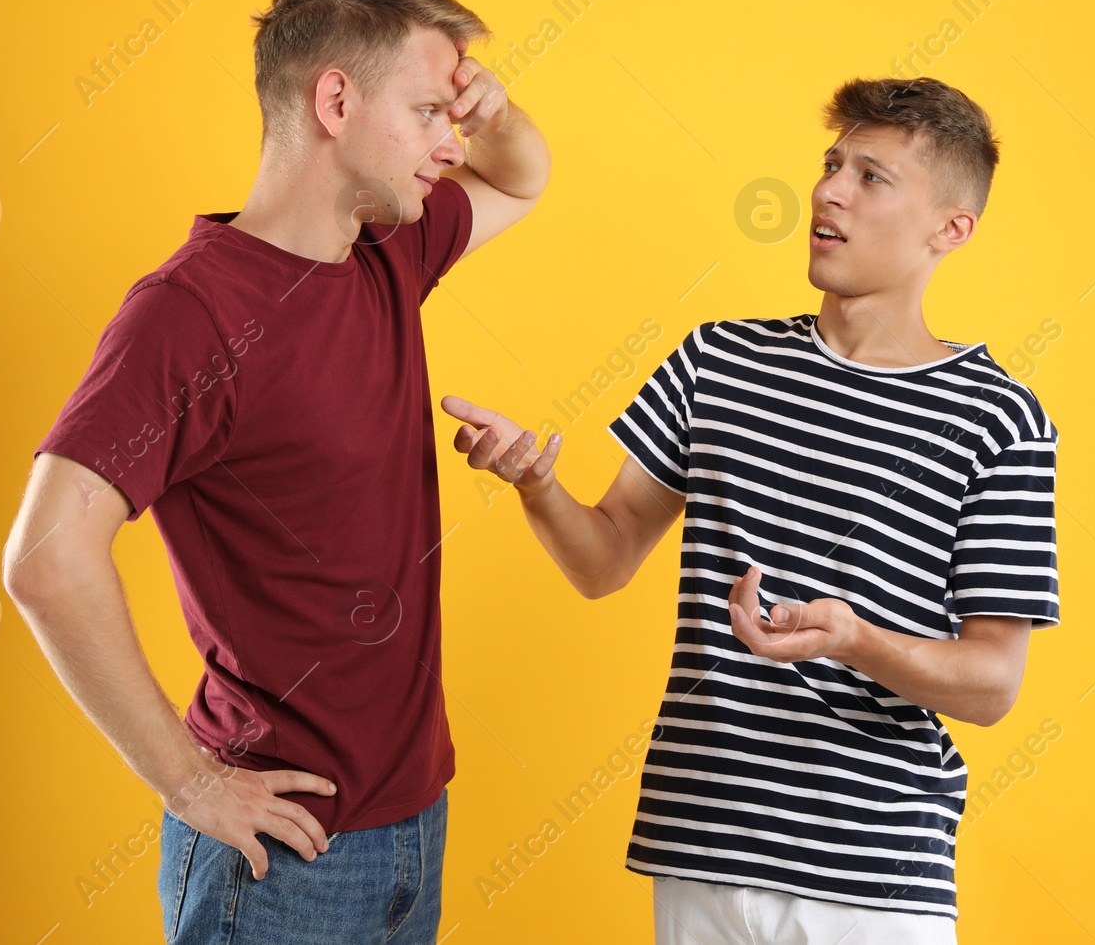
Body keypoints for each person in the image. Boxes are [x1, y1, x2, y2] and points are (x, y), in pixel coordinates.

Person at [1, 0, 549, 945]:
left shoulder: (391, 251)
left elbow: (521, 174)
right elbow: (46, 557)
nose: (449, 140)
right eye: (429, 108)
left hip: (413, 823)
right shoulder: (191, 314)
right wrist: (188, 778)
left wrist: (493, 109)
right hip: (284, 859)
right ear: (334, 100)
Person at [442, 77, 1058, 944]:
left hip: (870, 875)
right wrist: (535, 485)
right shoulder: (719, 360)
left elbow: (993, 684)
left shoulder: (997, 419)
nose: (829, 191)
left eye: (872, 177)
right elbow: (604, 558)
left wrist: (856, 640)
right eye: (831, 163)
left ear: (950, 228)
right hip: (700, 845)